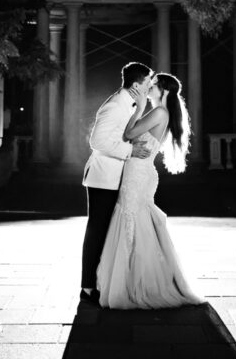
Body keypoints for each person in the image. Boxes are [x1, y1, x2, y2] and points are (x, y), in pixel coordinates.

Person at [96, 72, 204, 309]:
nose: (149, 88)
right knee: (134, 220)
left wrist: (138, 107)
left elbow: (129, 134)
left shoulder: (158, 112)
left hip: (137, 173)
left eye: (153, 86)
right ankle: (136, 278)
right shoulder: (163, 113)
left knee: (131, 219)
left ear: (163, 91)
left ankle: (134, 282)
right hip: (140, 171)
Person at [80, 61, 154, 304]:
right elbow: (97, 141)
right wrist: (130, 152)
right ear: (136, 84)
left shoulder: (128, 104)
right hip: (102, 177)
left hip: (115, 176)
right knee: (97, 230)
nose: (149, 86)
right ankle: (88, 286)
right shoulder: (114, 105)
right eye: (147, 82)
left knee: (106, 230)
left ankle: (100, 281)